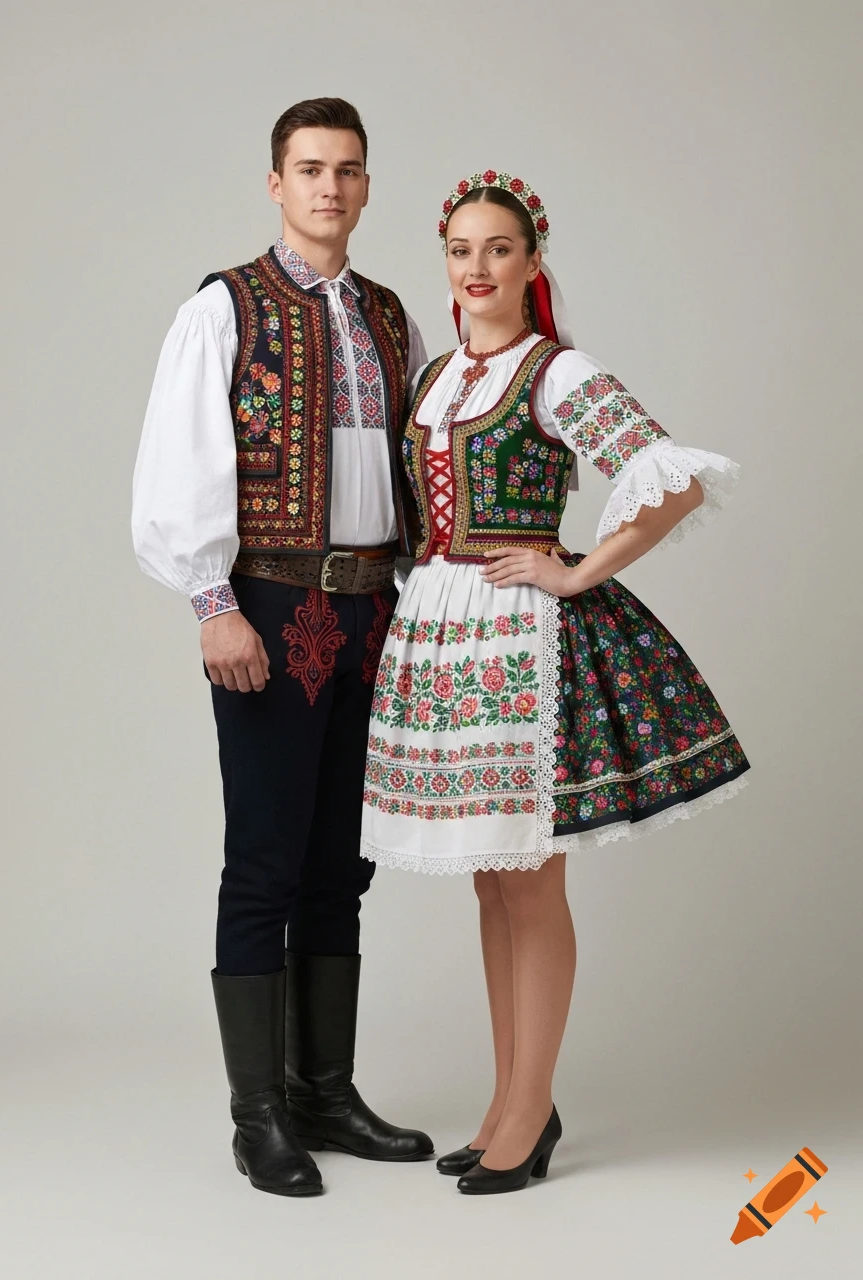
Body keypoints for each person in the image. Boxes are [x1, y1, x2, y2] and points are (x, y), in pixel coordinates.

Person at [360, 171, 750, 1195]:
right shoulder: (437, 374)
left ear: (531, 262)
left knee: (529, 883)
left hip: (520, 637)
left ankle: (528, 1111)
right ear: (444, 262)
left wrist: (575, 568)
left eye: (497, 248)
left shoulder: (556, 372)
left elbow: (668, 476)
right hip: (444, 632)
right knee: (490, 884)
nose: (476, 267)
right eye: (460, 250)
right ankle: (506, 1099)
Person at [132, 97, 434, 1198]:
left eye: (348, 170)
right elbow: (180, 461)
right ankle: (256, 1112)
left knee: (338, 862)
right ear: (275, 181)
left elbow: (410, 474)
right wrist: (212, 600)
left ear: (365, 184)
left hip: (373, 610)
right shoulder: (228, 307)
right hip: (266, 602)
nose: (329, 188)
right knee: (263, 854)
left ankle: (325, 1088)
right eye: (310, 168)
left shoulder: (391, 315)